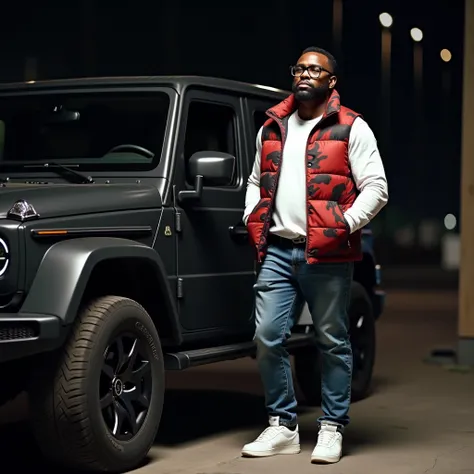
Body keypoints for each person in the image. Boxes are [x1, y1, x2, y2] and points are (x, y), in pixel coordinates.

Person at [241, 46, 388, 464]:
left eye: (315, 70)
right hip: (277, 250)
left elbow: (377, 188)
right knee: (267, 336)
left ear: (331, 81)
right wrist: (251, 214)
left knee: (332, 340)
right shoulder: (271, 127)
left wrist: (342, 225)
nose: (305, 74)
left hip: (326, 255)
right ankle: (283, 425)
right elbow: (255, 179)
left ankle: (331, 427)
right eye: (300, 68)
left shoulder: (352, 127)